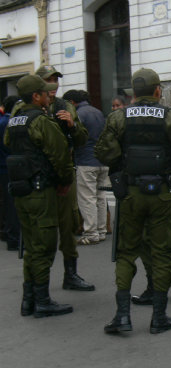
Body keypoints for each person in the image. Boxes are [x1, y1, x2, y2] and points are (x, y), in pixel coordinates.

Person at [96, 68, 171, 334]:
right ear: (157, 91)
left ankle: (122, 316)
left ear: (133, 93)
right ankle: (159, 317)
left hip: (129, 193)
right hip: (162, 192)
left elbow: (104, 152)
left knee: (126, 252)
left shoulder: (118, 117)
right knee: (161, 251)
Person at [4, 75, 74, 317]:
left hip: (21, 190)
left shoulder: (15, 120)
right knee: (44, 246)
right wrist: (65, 181)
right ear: (36, 96)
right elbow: (60, 154)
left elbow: (7, 144)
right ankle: (42, 301)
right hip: (40, 190)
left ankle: (29, 299)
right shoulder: (41, 121)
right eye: (45, 92)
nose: (48, 96)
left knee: (32, 246)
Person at [34, 65, 95, 291]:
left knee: (68, 225)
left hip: (65, 173)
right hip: (39, 176)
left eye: (55, 80)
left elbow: (81, 139)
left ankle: (71, 274)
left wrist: (72, 124)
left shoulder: (65, 106)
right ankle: (38, 284)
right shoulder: (28, 107)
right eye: (48, 80)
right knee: (41, 231)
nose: (53, 85)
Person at [62, 90, 109, 245]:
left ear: (72, 102)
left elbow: (75, 136)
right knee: (101, 197)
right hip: (102, 161)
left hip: (86, 161)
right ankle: (101, 230)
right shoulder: (98, 112)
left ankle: (91, 233)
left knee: (87, 197)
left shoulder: (79, 114)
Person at [0, 96, 22, 251]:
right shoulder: (11, 123)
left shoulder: (3, 122)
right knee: (14, 204)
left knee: (8, 204)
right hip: (12, 166)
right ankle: (14, 237)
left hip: (3, 166)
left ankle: (10, 235)